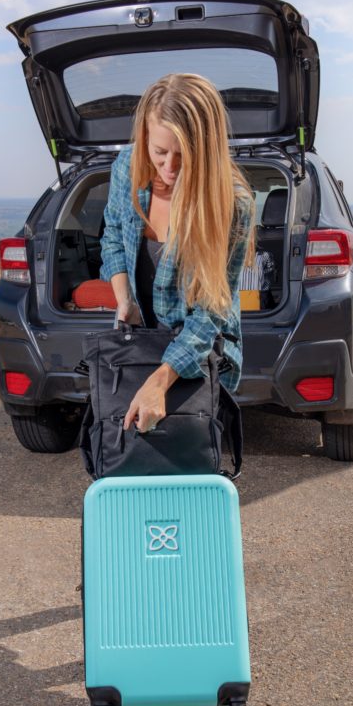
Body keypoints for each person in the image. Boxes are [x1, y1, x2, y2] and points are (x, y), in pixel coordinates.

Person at [99, 72, 254, 435]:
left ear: (209, 149)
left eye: (184, 156)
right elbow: (114, 240)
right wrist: (125, 302)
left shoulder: (233, 204)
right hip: (142, 340)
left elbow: (213, 309)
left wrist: (161, 380)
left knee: (187, 461)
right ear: (145, 140)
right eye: (159, 152)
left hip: (199, 352)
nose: (169, 168)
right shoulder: (127, 167)